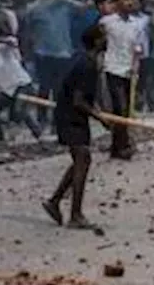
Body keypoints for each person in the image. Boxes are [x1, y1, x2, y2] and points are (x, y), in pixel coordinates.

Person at [43, 24, 110, 230]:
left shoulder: (87, 60)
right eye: (105, 37)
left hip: (74, 116)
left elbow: (86, 96)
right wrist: (99, 117)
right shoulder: (86, 64)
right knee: (83, 158)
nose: (108, 40)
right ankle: (76, 215)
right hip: (70, 116)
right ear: (97, 41)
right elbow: (78, 101)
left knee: (82, 159)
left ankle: (55, 202)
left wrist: (99, 111)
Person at [99, 0, 146, 159]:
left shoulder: (137, 23)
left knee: (125, 111)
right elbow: (98, 43)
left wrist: (137, 64)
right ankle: (123, 145)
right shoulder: (107, 22)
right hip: (112, 68)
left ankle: (117, 146)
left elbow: (138, 47)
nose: (129, 3)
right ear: (117, 2)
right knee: (120, 107)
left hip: (129, 69)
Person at [0, 34, 42, 144]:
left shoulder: (1, 49)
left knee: (19, 110)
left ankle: (37, 133)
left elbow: (13, 42)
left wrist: (3, 40)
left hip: (21, 84)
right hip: (7, 90)